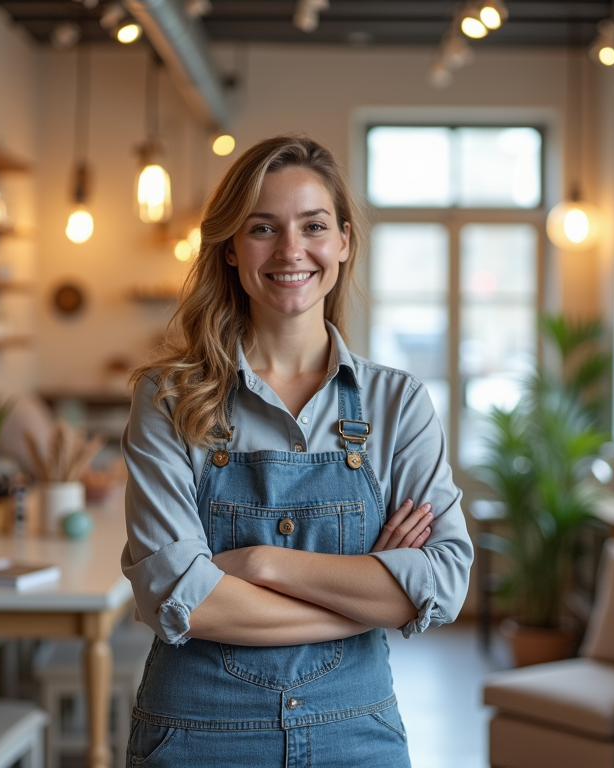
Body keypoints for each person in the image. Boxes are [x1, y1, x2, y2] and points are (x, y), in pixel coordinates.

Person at [121, 135, 473, 766]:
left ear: (342, 240)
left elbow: (442, 582)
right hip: (198, 733)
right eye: (263, 228)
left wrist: (259, 562)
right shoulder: (168, 398)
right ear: (231, 248)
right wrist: (369, 599)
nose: (291, 250)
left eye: (312, 226)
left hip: (356, 735)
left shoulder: (399, 404)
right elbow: (179, 594)